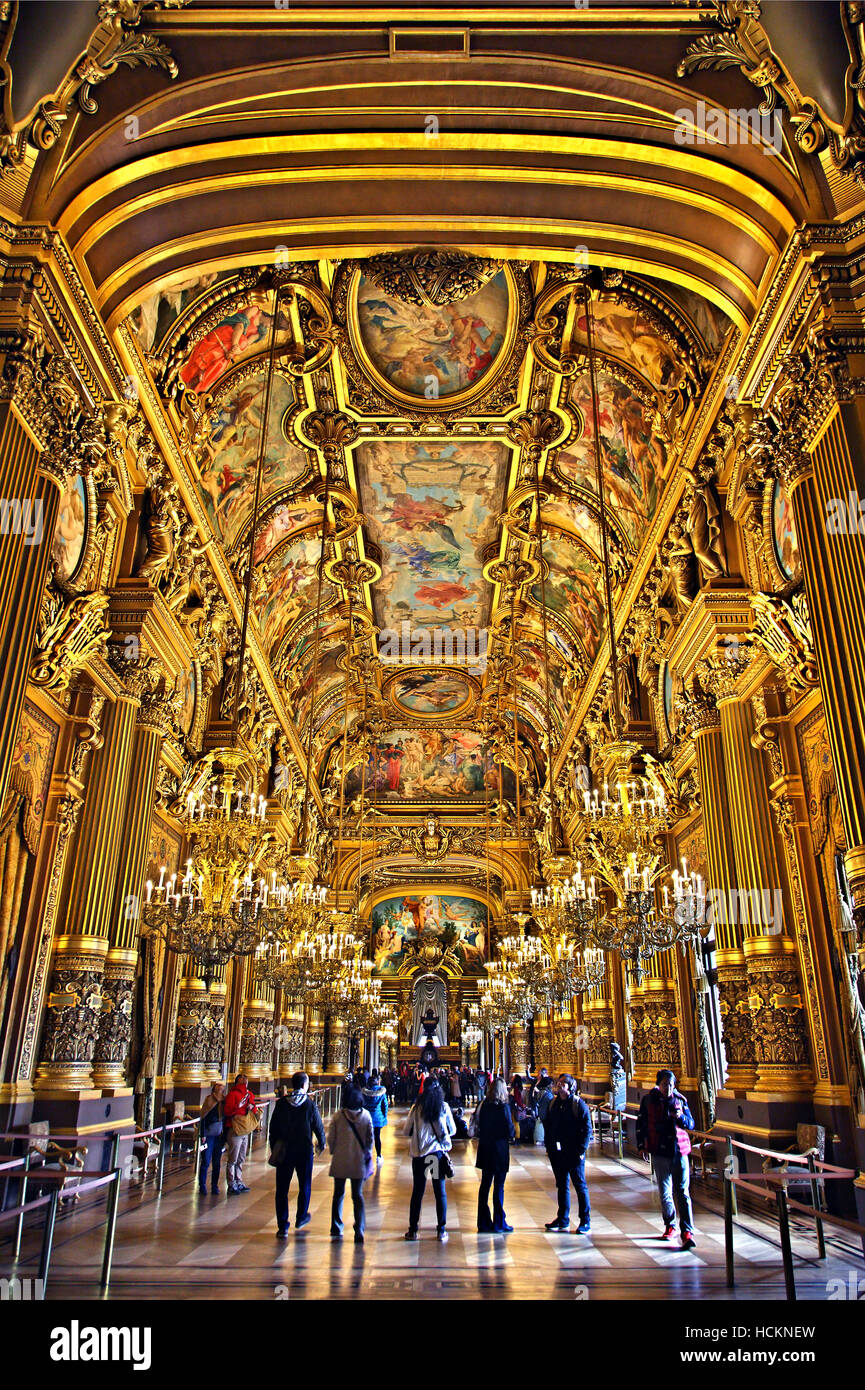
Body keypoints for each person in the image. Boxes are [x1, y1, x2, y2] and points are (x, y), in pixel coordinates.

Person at [636, 1069, 697, 1249]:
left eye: (671, 1085)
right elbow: (642, 1124)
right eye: (664, 1084)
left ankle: (687, 1230)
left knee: (683, 1192)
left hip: (680, 1151)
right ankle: (670, 1225)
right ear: (658, 1084)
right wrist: (642, 1146)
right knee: (665, 1191)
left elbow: (690, 1123)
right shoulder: (649, 1101)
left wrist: (680, 1117)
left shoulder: (681, 1101)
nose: (668, 1088)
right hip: (659, 1150)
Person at [268, 1071, 326, 1237]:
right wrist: (321, 1143)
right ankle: (301, 1217)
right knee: (305, 1185)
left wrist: (275, 1148)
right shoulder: (309, 1104)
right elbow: (318, 1125)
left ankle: (282, 1226)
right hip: (304, 1150)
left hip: (285, 1150)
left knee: (282, 1189)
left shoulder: (281, 1104)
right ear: (304, 1085)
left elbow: (273, 1129)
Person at [403, 1078, 456, 1241]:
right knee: (440, 1192)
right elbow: (453, 1130)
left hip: (419, 1156)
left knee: (417, 1192)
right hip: (436, 1155)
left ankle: (413, 1230)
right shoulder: (443, 1107)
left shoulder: (416, 1108)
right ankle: (441, 1229)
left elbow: (406, 1131)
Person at [543, 1073, 593, 1234]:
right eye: (559, 1083)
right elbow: (549, 1126)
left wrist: (581, 1150)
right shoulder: (554, 1104)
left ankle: (585, 1220)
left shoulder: (578, 1105)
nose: (559, 1085)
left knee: (580, 1185)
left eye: (563, 1083)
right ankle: (563, 1219)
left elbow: (587, 1129)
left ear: (570, 1087)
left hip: (574, 1152)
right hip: (558, 1152)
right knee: (562, 1186)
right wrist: (550, 1148)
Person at [327, 1084, 374, 1243]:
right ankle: (359, 1228)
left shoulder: (338, 1116)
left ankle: (336, 1226)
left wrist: (334, 1151)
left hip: (340, 1160)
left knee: (338, 1194)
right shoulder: (366, 1116)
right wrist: (367, 1153)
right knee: (358, 1195)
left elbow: (331, 1139)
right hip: (358, 1161)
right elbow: (370, 1139)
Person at [473, 1076, 515, 1233]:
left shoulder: (484, 1105)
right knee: (499, 1186)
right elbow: (509, 1129)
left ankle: (483, 1222)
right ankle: (499, 1222)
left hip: (485, 1148)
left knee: (484, 1186)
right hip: (499, 1150)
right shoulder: (503, 1107)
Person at [223, 1073, 259, 1195]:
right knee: (233, 1158)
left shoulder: (249, 1095)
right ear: (237, 1082)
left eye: (246, 1080)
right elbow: (227, 1111)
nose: (245, 1082)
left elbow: (254, 1108)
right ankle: (231, 1182)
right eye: (242, 1080)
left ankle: (239, 1180)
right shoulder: (232, 1095)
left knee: (241, 1157)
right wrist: (237, 1107)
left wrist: (251, 1106)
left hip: (245, 1129)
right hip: (235, 1129)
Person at [198, 1082, 224, 1195]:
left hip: (219, 1135)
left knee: (217, 1162)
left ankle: (214, 1185)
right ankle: (202, 1185)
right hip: (208, 1135)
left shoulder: (224, 1101)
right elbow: (203, 1117)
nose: (220, 1091)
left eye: (222, 1089)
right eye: (219, 1089)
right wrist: (202, 1134)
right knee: (206, 1160)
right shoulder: (209, 1100)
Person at [362, 1069, 389, 1162]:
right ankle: (378, 1156)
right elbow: (385, 1106)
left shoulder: (364, 1092)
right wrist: (384, 1116)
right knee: (377, 1137)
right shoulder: (381, 1092)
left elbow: (362, 1105)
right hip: (377, 1118)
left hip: (366, 1118)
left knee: (367, 1137)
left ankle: (366, 1156)